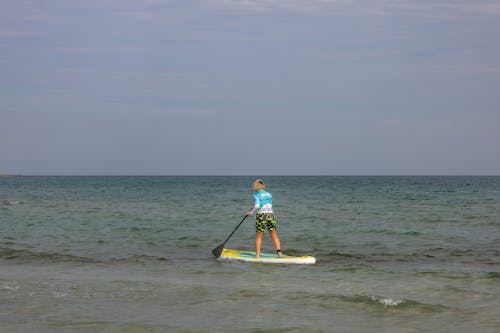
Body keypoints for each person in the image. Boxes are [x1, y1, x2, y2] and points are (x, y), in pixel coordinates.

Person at [245, 179, 284, 258]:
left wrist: (251, 213)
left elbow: (257, 206)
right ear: (263, 186)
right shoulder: (269, 194)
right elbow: (267, 204)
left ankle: (257, 255)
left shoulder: (256, 195)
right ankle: (279, 253)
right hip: (270, 215)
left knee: (259, 236)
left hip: (262, 216)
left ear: (255, 187)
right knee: (274, 235)